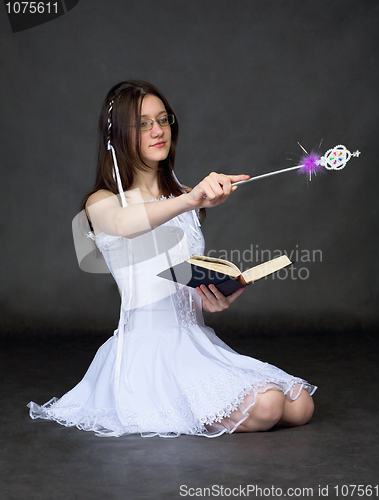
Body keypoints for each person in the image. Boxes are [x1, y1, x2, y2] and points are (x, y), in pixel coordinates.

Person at [28, 81, 316, 437]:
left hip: (194, 339)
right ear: (117, 135)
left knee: (302, 405)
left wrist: (214, 295)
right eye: (143, 123)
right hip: (150, 353)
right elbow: (124, 224)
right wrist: (190, 199)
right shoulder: (102, 201)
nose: (158, 130)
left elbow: (183, 277)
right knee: (270, 405)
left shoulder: (181, 196)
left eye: (163, 119)